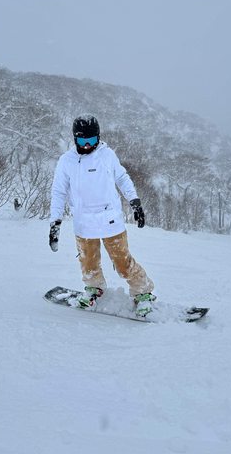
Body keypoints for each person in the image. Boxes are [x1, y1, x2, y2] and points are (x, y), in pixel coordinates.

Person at [48, 115, 155, 317]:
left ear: (98, 138)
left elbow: (122, 178)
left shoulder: (107, 155)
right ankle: (94, 289)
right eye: (83, 140)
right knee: (88, 263)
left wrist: (135, 201)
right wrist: (55, 223)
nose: (87, 145)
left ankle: (143, 293)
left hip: (110, 220)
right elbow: (58, 192)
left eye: (92, 140)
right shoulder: (66, 161)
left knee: (123, 263)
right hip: (84, 223)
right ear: (75, 139)